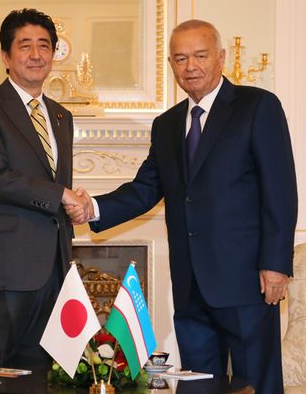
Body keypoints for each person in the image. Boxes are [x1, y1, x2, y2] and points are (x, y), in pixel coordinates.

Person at [67, 20, 298, 393]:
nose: (190, 66)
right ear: (171, 65)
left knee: (257, 384)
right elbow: (145, 189)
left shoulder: (257, 107)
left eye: (200, 55)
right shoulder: (167, 124)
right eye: (180, 58)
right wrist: (91, 206)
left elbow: (280, 190)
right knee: (196, 385)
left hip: (247, 282)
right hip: (191, 284)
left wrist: (275, 265)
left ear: (221, 58)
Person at [0, 8, 92, 369]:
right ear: (6, 56)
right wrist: (63, 196)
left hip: (54, 269)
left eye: (44, 46)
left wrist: (77, 204)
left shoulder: (62, 116)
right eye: (25, 46)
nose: (37, 55)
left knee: (46, 376)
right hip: (4, 271)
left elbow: (53, 182)